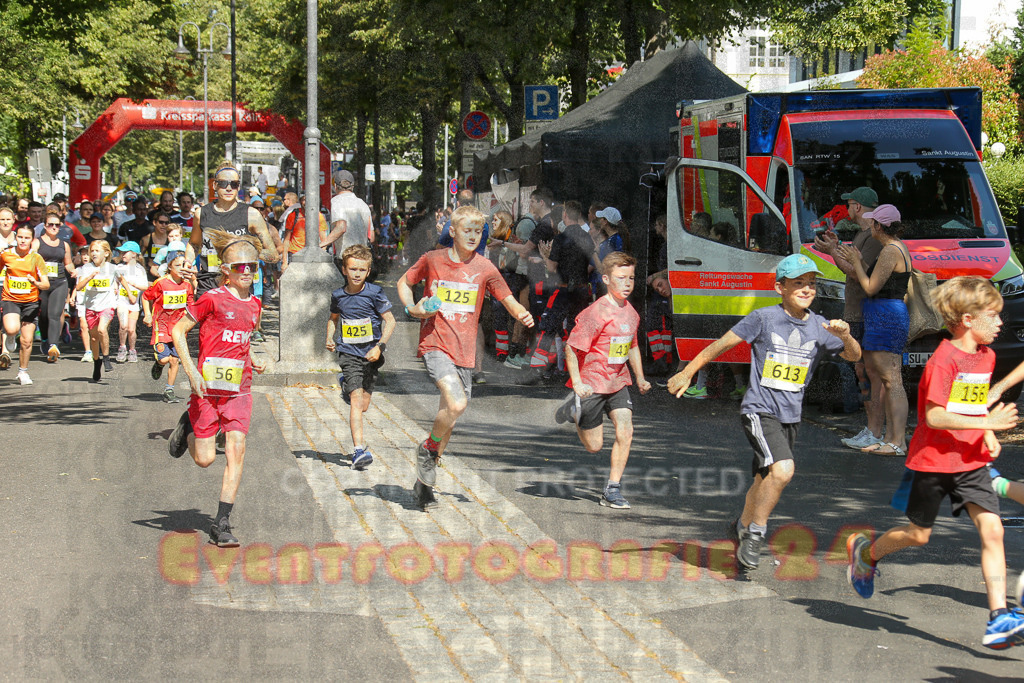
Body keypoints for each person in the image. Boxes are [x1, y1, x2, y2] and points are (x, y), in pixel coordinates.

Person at [846, 276, 1024, 650]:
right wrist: (989, 423)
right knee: (918, 535)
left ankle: (998, 617)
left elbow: (971, 404)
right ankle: (866, 553)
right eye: (993, 315)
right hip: (933, 462)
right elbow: (936, 417)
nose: (1000, 322)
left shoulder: (987, 356)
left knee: (993, 531)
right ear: (968, 319)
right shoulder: (944, 359)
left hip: (971, 461)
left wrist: (984, 433)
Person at [667, 253, 860, 569]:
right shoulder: (764, 318)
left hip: (791, 415)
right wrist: (688, 372)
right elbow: (722, 345)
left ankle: (741, 526)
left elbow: (854, 356)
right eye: (798, 283)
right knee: (783, 470)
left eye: (811, 283)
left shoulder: (820, 326)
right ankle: (755, 533)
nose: (806, 289)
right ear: (780, 288)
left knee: (765, 478)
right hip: (760, 410)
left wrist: (846, 336)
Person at [397, 205, 535, 510]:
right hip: (435, 344)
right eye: (467, 230)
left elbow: (507, 297)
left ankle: (424, 483)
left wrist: (521, 313)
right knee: (457, 403)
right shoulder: (433, 260)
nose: (473, 236)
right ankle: (428, 449)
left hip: (465, 351)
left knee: (450, 416)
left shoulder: (485, 267)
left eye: (478, 231)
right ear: (453, 232)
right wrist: (412, 308)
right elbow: (404, 283)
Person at [167, 230, 267, 548]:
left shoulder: (255, 304)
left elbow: (243, 337)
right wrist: (191, 370)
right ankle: (189, 424)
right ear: (225, 270)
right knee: (206, 459)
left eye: (252, 266)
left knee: (236, 451)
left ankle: (221, 523)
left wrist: (254, 357)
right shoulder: (211, 299)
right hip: (207, 390)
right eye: (240, 267)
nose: (248, 271)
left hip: (239, 390)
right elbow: (178, 330)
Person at [555, 252, 651, 509]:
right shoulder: (595, 313)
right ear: (607, 279)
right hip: (592, 384)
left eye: (631, 278)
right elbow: (571, 348)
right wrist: (577, 383)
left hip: (618, 381)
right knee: (594, 446)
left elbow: (631, 346)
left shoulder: (631, 312)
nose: (628, 283)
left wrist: (640, 378)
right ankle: (574, 409)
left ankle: (613, 488)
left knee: (626, 431)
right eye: (621, 278)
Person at [835, 204, 911, 456]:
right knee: (889, 381)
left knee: (892, 380)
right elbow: (874, 277)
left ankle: (898, 441)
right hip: (885, 314)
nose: (871, 227)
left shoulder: (891, 250)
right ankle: (890, 438)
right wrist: (857, 260)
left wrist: (856, 260)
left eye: (874, 223)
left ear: (880, 226)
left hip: (886, 315)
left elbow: (869, 286)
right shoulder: (895, 247)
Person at [814, 187, 884, 449]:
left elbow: (858, 273)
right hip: (859, 313)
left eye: (849, 204)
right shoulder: (865, 234)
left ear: (857, 207)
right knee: (863, 371)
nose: (847, 210)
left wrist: (833, 251)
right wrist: (837, 247)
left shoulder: (872, 236)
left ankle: (875, 432)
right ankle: (872, 430)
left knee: (868, 373)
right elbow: (856, 265)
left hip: (864, 314)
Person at [326, 245, 397, 469]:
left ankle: (346, 386)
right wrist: (330, 337)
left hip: (371, 355)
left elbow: (391, 321)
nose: (357, 274)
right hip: (348, 353)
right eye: (352, 269)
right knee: (356, 401)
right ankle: (358, 450)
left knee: (363, 405)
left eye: (362, 270)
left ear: (368, 272)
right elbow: (333, 318)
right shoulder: (338, 295)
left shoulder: (374, 293)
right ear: (344, 270)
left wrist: (380, 347)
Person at [189, 162, 280, 298]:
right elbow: (194, 244)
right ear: (215, 185)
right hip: (209, 284)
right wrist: (187, 262)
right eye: (223, 183)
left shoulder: (251, 214)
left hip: (240, 287)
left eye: (234, 184)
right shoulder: (201, 213)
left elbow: (273, 255)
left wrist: (242, 250)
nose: (229, 188)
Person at [0, 224, 50, 384]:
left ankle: (23, 372)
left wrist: (35, 282)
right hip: (11, 299)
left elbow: (46, 284)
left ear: (32, 240)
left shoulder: (36, 258)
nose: (23, 240)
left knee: (27, 341)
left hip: (30, 302)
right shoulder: (6, 255)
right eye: (20, 237)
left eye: (26, 238)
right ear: (16, 238)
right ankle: (10, 337)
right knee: (11, 328)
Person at [143, 250, 194, 403]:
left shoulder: (187, 285)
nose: (181, 268)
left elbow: (191, 307)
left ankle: (169, 390)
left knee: (174, 361)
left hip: (178, 329)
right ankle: (158, 364)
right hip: (162, 327)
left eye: (184, 265)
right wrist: (147, 314)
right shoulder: (161, 282)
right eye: (177, 265)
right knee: (165, 359)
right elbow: (146, 297)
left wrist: (188, 324)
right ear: (170, 266)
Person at [33, 211, 77, 362]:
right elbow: (30, 261)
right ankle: (45, 339)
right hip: (42, 284)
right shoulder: (37, 242)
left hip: (59, 283)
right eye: (50, 224)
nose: (53, 227)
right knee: (43, 315)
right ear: (44, 226)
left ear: (60, 226)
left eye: (56, 225)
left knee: (54, 314)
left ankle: (53, 346)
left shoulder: (64, 244)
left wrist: (74, 271)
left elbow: (68, 263)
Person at [74, 240, 120, 381]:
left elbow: (122, 280)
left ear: (106, 253)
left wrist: (125, 291)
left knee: (102, 330)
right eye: (92, 251)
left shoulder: (113, 268)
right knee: (94, 337)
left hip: (107, 305)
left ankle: (106, 358)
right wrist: (89, 277)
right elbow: (79, 287)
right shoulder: (86, 268)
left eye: (97, 251)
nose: (93, 253)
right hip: (91, 307)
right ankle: (97, 362)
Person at [322, 170, 373, 270]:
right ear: (352, 186)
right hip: (362, 258)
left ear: (335, 186)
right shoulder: (363, 204)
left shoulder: (336, 202)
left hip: (345, 259)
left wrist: (321, 245)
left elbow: (341, 227)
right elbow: (372, 235)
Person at [114, 242, 149, 363]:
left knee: (131, 329)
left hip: (134, 304)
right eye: (121, 252)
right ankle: (122, 347)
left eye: (125, 252)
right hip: (122, 302)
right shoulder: (119, 268)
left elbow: (145, 287)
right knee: (123, 325)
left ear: (134, 254)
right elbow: (115, 283)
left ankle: (132, 350)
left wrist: (134, 285)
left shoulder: (140, 270)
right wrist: (115, 288)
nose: (122, 254)